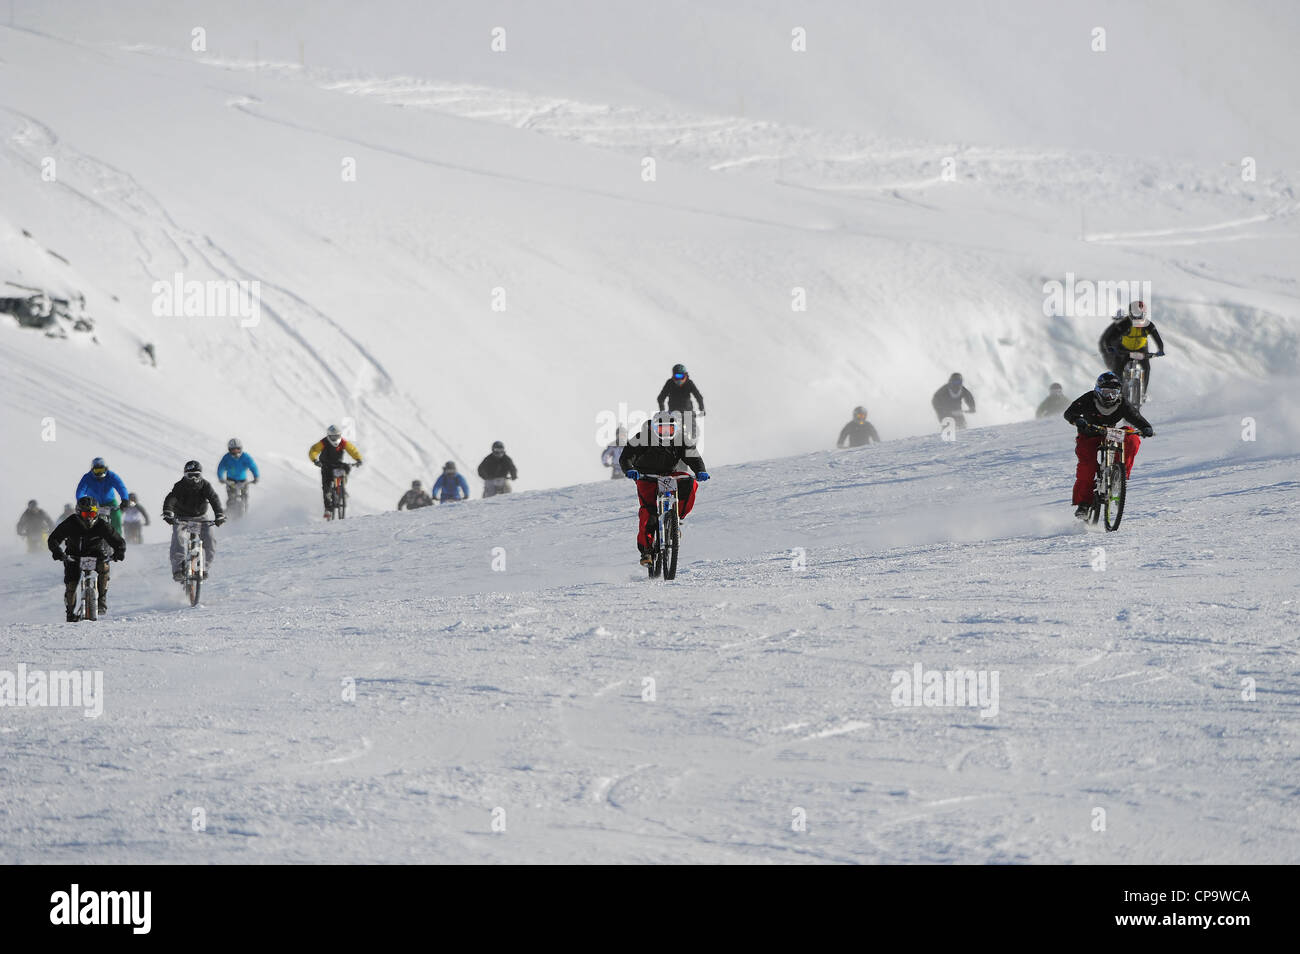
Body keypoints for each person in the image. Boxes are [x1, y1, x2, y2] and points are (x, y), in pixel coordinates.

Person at [619, 410, 709, 566]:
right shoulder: (642, 438)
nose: (666, 433)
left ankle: (676, 519)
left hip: (669, 475)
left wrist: (700, 471)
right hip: (646, 476)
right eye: (662, 429)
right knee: (649, 511)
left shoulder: (680, 439)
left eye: (670, 429)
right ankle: (647, 551)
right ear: (654, 428)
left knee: (690, 483)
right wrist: (630, 470)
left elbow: (693, 456)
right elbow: (626, 457)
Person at [1063, 372, 1154, 519]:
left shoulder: (1122, 403)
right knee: (1087, 467)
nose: (1110, 397)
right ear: (1098, 391)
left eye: (1113, 393)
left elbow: (1135, 416)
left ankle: (1119, 474)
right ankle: (1084, 504)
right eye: (1106, 392)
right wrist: (1077, 420)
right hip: (1089, 434)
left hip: (1110, 433)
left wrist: (1146, 427)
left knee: (1132, 438)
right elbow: (1069, 413)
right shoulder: (1088, 399)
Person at [47, 496, 124, 620]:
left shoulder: (102, 524)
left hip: (97, 554)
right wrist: (58, 552)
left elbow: (117, 540)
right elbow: (53, 539)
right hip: (73, 556)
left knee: (104, 568)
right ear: (78, 513)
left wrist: (119, 552)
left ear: (97, 513)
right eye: (85, 513)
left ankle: (102, 599)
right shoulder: (70, 522)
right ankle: (70, 613)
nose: (88, 517)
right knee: (71, 585)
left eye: (92, 513)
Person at [162, 460, 225, 581]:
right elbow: (171, 498)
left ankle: (204, 568)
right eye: (190, 476)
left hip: (200, 518)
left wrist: (219, 514)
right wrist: (168, 512)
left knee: (210, 540)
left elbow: (214, 499)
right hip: (182, 518)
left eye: (197, 475)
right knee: (178, 538)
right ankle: (178, 570)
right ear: (185, 475)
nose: (194, 479)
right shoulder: (180, 486)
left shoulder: (205, 485)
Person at [1098, 300, 1166, 395]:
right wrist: (1110, 347)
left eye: (1140, 313)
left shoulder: (1148, 325)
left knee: (1146, 368)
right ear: (1130, 313)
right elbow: (1110, 338)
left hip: (1141, 350)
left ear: (1144, 313)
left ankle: (1143, 394)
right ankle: (1118, 393)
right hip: (1124, 350)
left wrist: (1160, 349)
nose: (1137, 317)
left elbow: (1157, 338)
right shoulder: (1125, 324)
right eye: (1135, 313)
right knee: (1117, 369)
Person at [308, 425, 363, 518]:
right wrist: (315, 460)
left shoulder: (343, 442)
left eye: (337, 436)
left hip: (338, 464)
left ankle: (342, 489)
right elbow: (314, 450)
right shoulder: (323, 442)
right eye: (333, 436)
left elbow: (352, 450)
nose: (335, 438)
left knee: (347, 467)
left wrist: (358, 459)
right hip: (326, 465)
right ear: (328, 436)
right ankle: (328, 509)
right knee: (327, 487)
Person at [75, 457, 130, 535]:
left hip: (110, 503)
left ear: (106, 469)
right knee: (87, 519)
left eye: (101, 470)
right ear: (92, 470)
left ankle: (118, 540)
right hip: (93, 504)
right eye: (96, 470)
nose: (99, 473)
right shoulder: (87, 478)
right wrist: (81, 501)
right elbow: (80, 491)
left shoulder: (111, 476)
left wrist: (125, 499)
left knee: (117, 515)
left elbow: (121, 487)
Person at [657, 364, 705, 439]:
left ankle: (692, 444)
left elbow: (698, 396)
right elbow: (660, 398)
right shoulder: (670, 383)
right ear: (673, 376)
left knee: (693, 431)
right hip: (673, 412)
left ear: (685, 376)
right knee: (669, 433)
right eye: (677, 377)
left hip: (688, 412)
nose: (679, 380)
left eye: (681, 377)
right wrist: (662, 411)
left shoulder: (689, 383)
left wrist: (702, 409)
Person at [216, 437, 260, 515]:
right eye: (233, 450)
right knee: (231, 498)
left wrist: (256, 476)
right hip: (230, 481)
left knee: (244, 497)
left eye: (237, 449)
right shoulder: (226, 457)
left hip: (243, 481)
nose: (236, 452)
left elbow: (253, 466)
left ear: (241, 449)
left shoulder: (245, 457)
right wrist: (220, 477)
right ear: (229, 450)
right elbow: (221, 467)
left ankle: (245, 513)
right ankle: (229, 513)